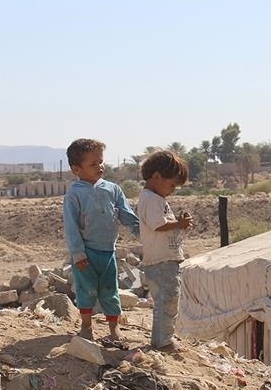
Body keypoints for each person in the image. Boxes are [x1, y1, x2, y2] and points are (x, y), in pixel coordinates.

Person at [63, 138, 140, 341]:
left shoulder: (113, 189)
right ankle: (86, 327)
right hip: (85, 253)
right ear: (76, 169)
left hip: (107, 251)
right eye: (93, 164)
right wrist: (78, 253)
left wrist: (144, 233)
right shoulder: (74, 194)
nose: (100, 167)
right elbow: (71, 226)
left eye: (101, 161)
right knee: (86, 290)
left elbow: (127, 215)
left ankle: (114, 329)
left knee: (110, 290)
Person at [138, 149, 193, 351]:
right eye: (172, 185)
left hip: (164, 260)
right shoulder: (151, 199)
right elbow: (158, 225)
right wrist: (178, 223)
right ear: (157, 176)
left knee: (167, 300)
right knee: (167, 301)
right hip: (161, 262)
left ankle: (161, 340)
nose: (173, 190)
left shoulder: (155, 199)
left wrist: (180, 225)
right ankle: (163, 342)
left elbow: (164, 226)